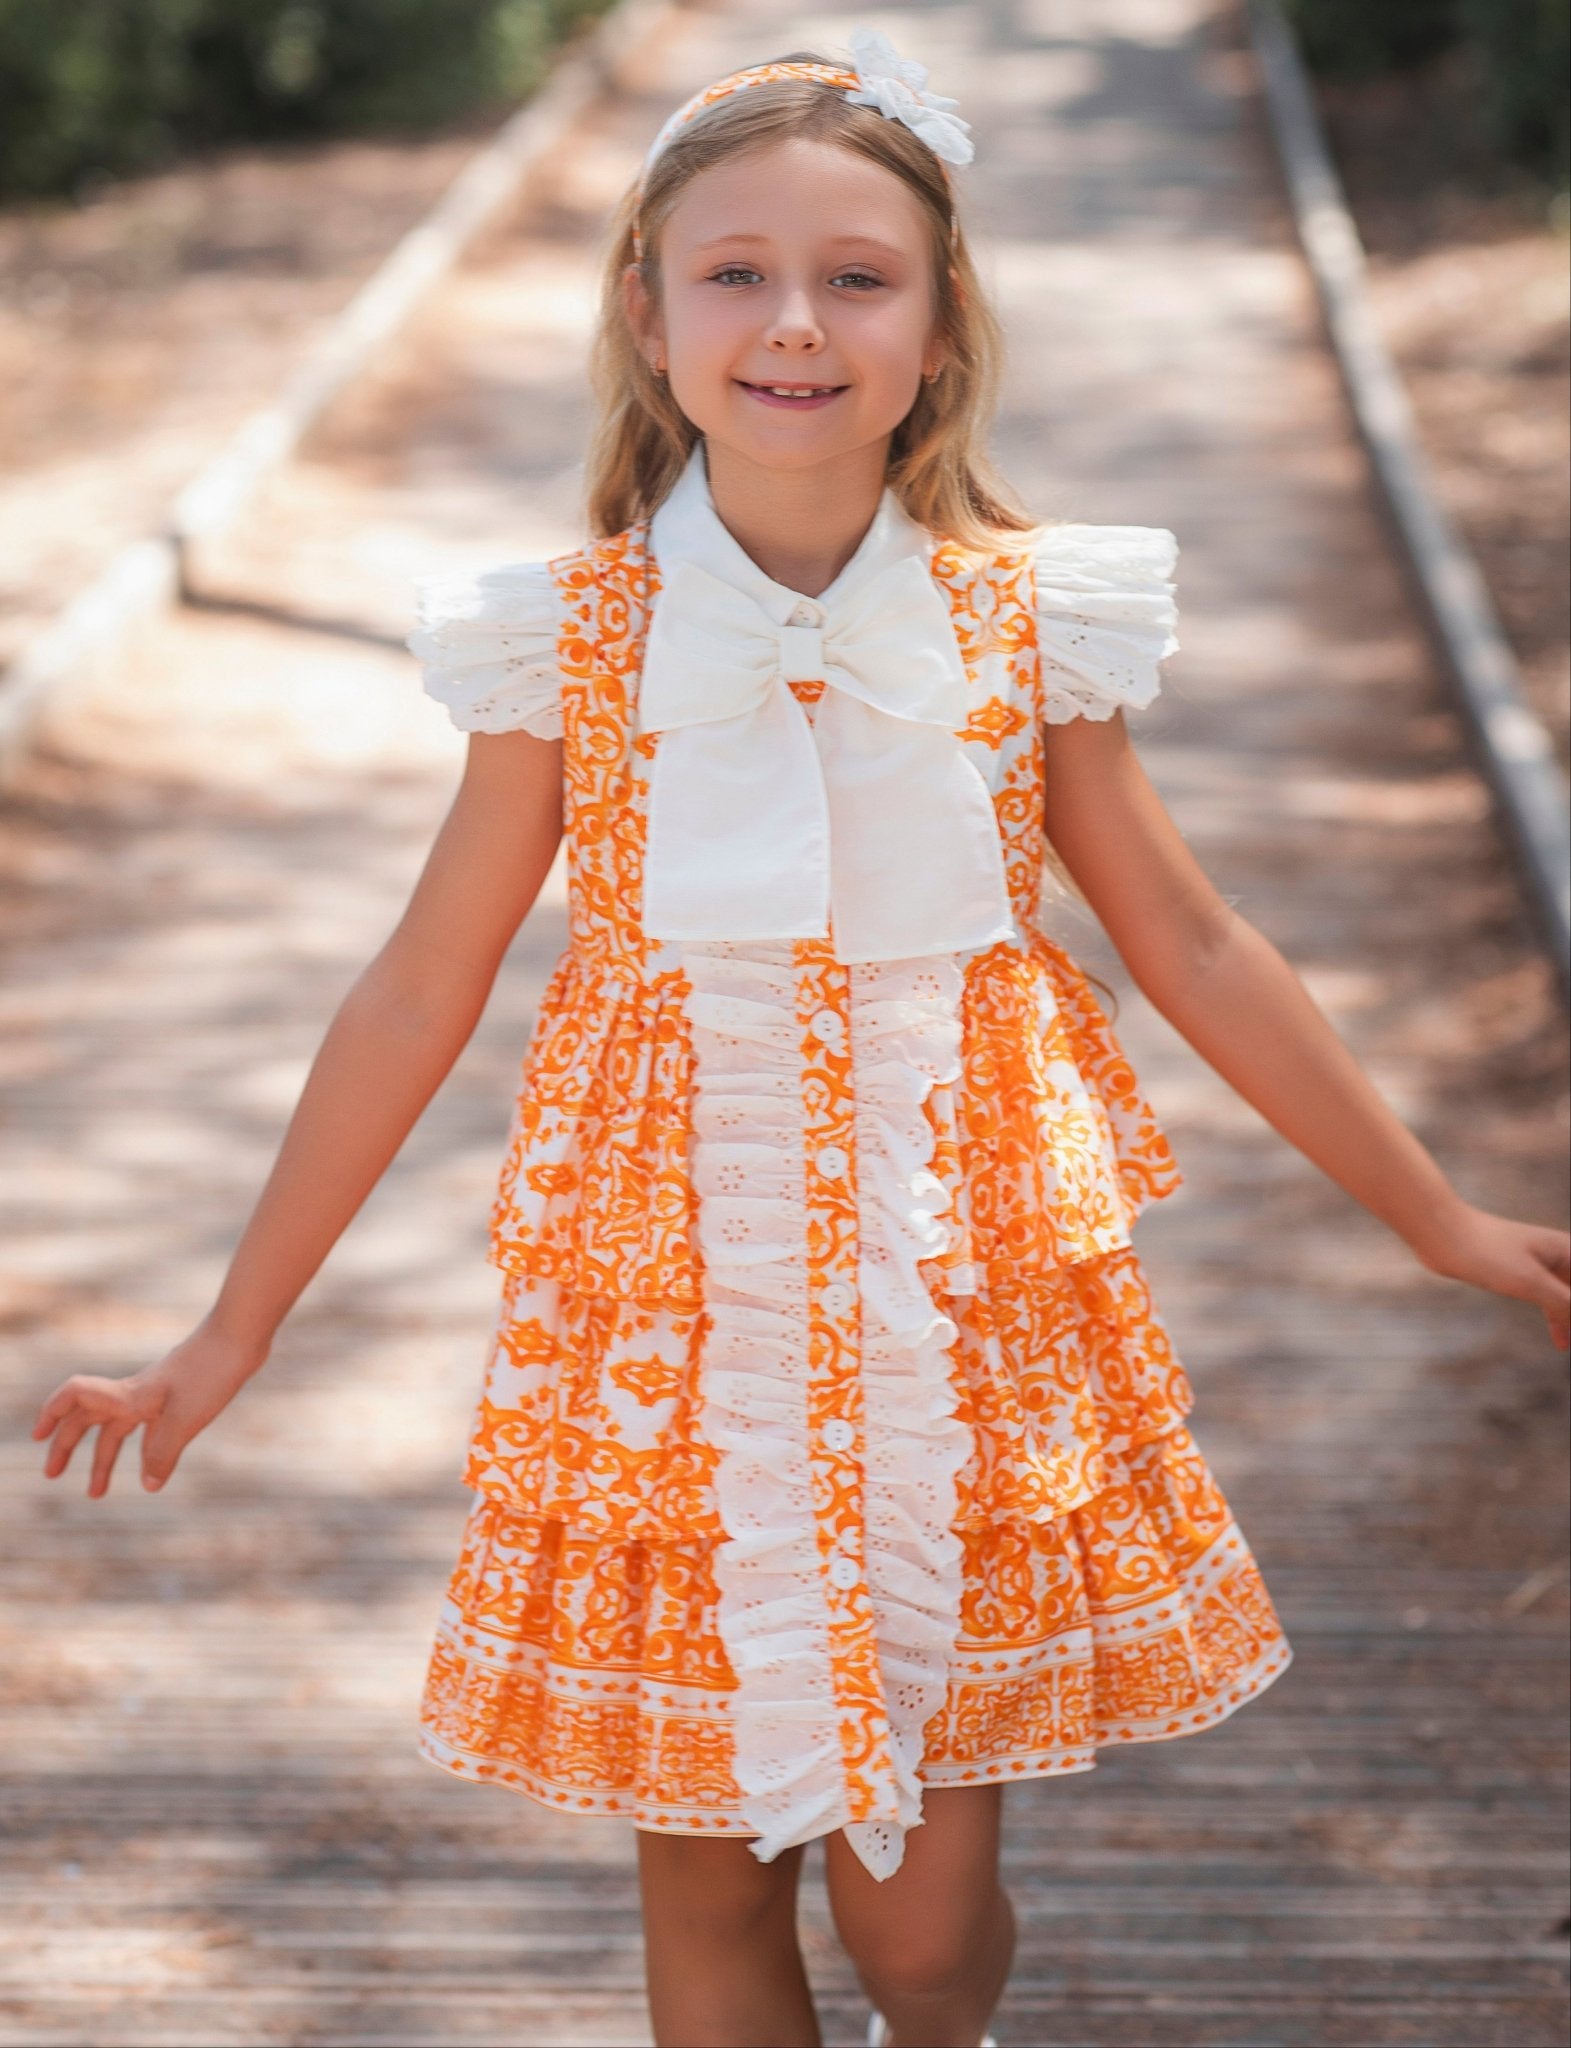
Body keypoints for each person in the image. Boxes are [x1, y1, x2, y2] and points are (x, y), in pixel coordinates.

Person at [32, 27, 1570, 2048]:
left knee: (924, 1928)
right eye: (735, 272)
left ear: (939, 331)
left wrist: (1440, 1214)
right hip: (671, 1332)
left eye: (859, 276)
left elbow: (1193, 939)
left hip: (963, 1302)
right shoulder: (569, 645)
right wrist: (231, 1329)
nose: (794, 321)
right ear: (651, 315)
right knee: (707, 1877)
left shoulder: (1028, 626)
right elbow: (416, 984)